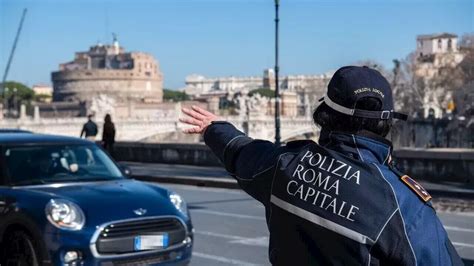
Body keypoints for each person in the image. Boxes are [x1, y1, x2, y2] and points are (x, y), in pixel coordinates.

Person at [180, 66, 462, 265]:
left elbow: (241, 151)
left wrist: (212, 128)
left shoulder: (283, 166)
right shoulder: (403, 204)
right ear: (386, 123)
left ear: (324, 114)